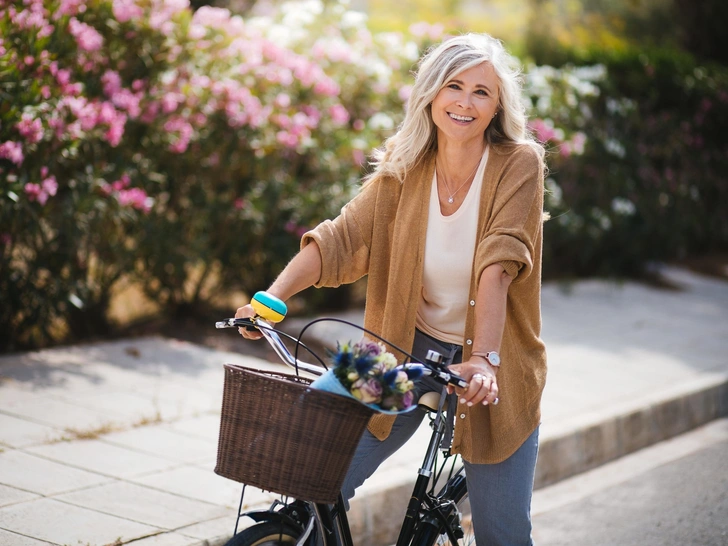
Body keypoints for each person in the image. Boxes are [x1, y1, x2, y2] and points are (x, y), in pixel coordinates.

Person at [236, 32, 547, 546]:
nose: (465, 103)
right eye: (454, 86)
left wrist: (484, 361)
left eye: (481, 92)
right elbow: (340, 238)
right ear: (430, 93)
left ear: (497, 107)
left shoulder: (519, 163)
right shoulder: (405, 168)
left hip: (495, 365)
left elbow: (499, 260)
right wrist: (271, 299)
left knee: (504, 533)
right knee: (315, 475)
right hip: (401, 349)